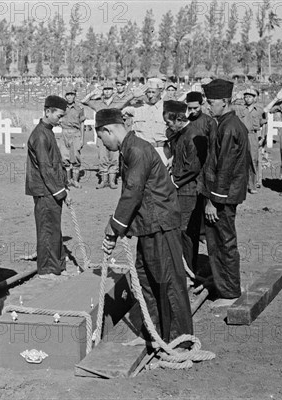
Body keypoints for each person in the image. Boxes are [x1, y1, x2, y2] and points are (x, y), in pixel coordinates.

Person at [98, 108, 193, 347]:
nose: (102, 143)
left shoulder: (137, 150)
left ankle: (179, 343)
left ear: (109, 130)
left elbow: (133, 193)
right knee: (147, 280)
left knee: (168, 282)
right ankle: (155, 334)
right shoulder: (128, 148)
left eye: (101, 137)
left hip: (160, 225)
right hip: (148, 225)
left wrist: (113, 229)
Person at [199, 79, 252, 307]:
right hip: (225, 194)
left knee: (222, 242)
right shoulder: (226, 123)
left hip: (223, 196)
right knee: (221, 241)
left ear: (224, 101)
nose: (208, 106)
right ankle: (228, 285)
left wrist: (214, 202)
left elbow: (225, 168)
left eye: (211, 102)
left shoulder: (229, 127)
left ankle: (229, 294)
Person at [26, 95, 72, 279]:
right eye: (59, 116)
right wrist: (61, 191)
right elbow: (46, 168)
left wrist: (64, 186)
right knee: (46, 229)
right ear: (47, 112)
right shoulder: (39, 135)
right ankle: (46, 270)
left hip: (51, 189)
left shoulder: (48, 132)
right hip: (45, 190)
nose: (60, 119)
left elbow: (55, 164)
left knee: (54, 228)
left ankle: (58, 266)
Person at [164, 99, 211, 274]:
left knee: (186, 232)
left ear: (178, 120)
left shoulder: (191, 135)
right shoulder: (182, 134)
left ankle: (189, 270)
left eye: (169, 123)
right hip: (183, 188)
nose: (168, 127)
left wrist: (173, 182)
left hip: (189, 191)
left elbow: (193, 167)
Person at [81, 81, 123, 189]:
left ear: (113, 91)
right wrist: (94, 92)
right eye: (105, 89)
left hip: (114, 134)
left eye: (109, 89)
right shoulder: (98, 103)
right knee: (103, 156)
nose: (107, 91)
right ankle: (103, 181)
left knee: (114, 157)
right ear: (103, 91)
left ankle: (112, 181)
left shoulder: (117, 103)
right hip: (102, 133)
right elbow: (84, 101)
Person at [122, 78, 168, 165]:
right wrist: (131, 96)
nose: (150, 96)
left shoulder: (167, 108)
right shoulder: (137, 108)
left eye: (153, 92)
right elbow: (115, 110)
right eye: (148, 92)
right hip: (141, 151)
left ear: (160, 91)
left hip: (161, 151)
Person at [234, 87, 266, 194]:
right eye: (246, 97)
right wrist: (236, 97)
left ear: (254, 98)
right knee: (241, 161)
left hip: (253, 136)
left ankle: (252, 185)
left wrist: (263, 137)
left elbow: (263, 123)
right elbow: (229, 106)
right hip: (242, 136)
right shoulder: (239, 109)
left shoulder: (259, 110)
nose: (247, 99)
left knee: (253, 161)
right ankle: (241, 185)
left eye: (250, 97)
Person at [58, 85, 86, 188]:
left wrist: (82, 139)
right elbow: (56, 118)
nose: (69, 97)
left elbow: (82, 124)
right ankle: (68, 180)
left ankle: (75, 180)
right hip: (64, 133)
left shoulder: (79, 108)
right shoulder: (61, 107)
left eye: (71, 95)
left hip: (75, 134)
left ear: (74, 96)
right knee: (64, 157)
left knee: (76, 157)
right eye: (68, 95)